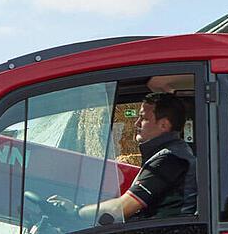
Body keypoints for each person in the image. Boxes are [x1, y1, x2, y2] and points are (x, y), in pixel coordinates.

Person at [51, 90, 198, 223]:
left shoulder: (169, 159)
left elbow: (121, 209)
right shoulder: (172, 153)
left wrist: (76, 211)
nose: (136, 123)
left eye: (143, 118)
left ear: (164, 125)